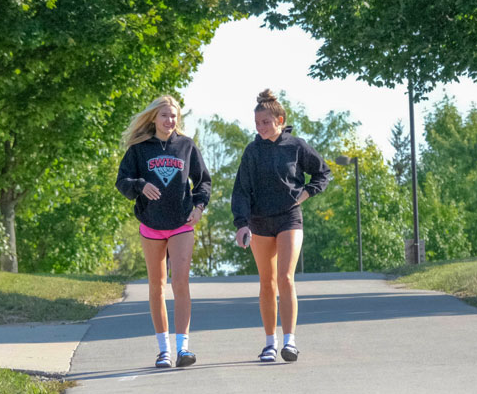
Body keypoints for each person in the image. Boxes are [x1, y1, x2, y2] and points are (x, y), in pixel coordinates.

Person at [231, 89, 331, 363]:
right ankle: (269, 343)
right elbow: (241, 190)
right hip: (259, 222)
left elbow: (323, 172)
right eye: (257, 123)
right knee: (267, 282)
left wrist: (308, 192)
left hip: (289, 218)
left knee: (286, 278)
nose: (261, 127)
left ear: (280, 119)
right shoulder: (251, 151)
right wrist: (241, 224)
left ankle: (290, 342)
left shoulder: (296, 146)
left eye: (265, 122)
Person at [116, 95, 211, 368]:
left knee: (180, 283)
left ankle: (183, 349)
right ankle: (164, 350)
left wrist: (199, 207)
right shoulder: (139, 149)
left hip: (181, 222)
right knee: (157, 287)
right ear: (154, 118)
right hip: (151, 225)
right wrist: (140, 185)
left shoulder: (186, 146)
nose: (170, 120)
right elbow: (122, 181)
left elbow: (203, 180)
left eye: (174, 116)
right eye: (165, 115)